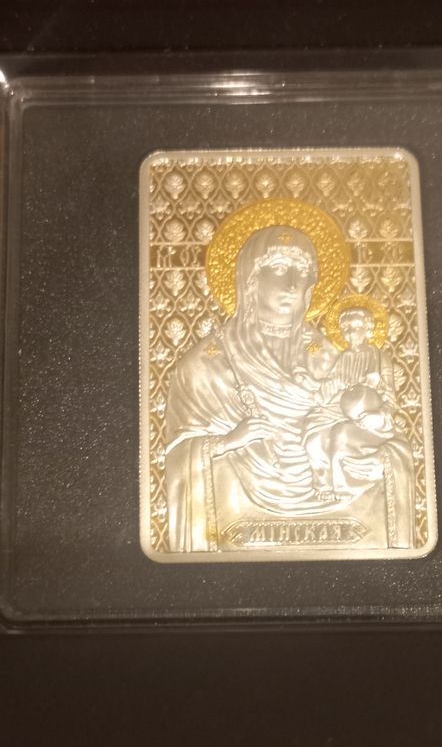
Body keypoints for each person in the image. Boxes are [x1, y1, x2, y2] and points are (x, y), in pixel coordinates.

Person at [163, 221, 414, 552]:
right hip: (240, 510)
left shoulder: (329, 356)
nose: (293, 284)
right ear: (251, 279)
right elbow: (176, 456)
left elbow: (384, 432)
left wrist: (371, 447)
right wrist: (227, 442)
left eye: (303, 272)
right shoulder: (205, 364)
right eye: (279, 268)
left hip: (337, 509)